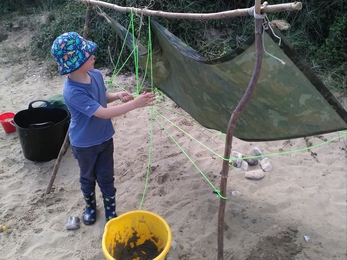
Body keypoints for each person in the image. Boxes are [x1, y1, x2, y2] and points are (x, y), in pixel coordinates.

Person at [50, 32, 156, 225]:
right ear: (75, 63)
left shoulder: (96, 74)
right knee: (87, 177)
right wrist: (135, 104)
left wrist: (117, 96)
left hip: (105, 138)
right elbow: (102, 113)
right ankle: (90, 206)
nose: (93, 56)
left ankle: (110, 211)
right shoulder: (72, 92)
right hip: (84, 144)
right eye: (88, 55)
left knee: (107, 177)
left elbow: (102, 96)